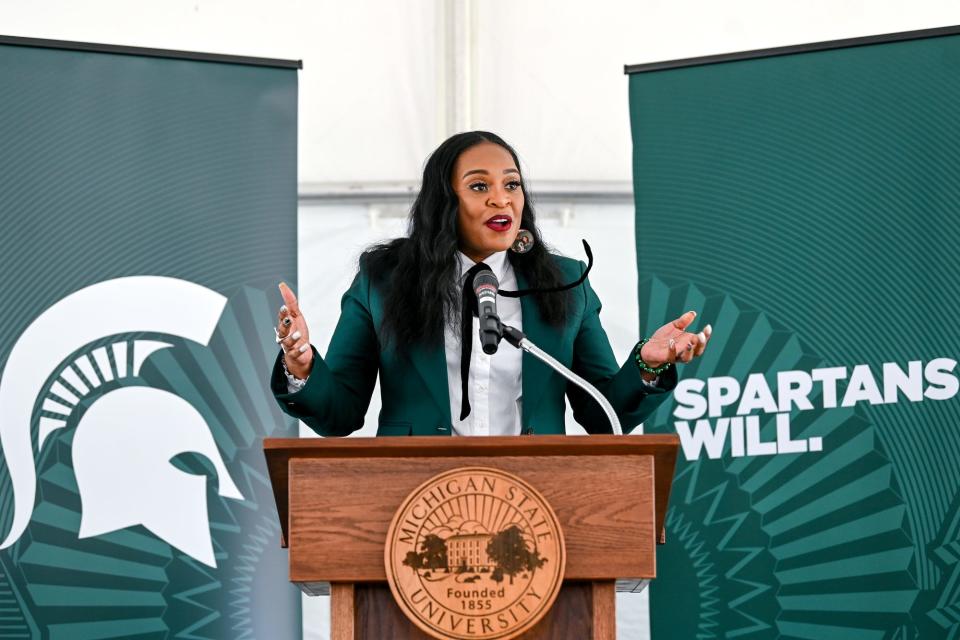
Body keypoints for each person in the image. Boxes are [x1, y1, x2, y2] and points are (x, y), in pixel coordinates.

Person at [270, 131, 711, 437]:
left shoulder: (564, 284)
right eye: (479, 186)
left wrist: (648, 365)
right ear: (445, 201)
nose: (501, 198)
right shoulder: (383, 280)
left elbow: (602, 414)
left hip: (538, 500)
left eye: (512, 184)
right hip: (413, 501)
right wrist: (302, 365)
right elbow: (340, 413)